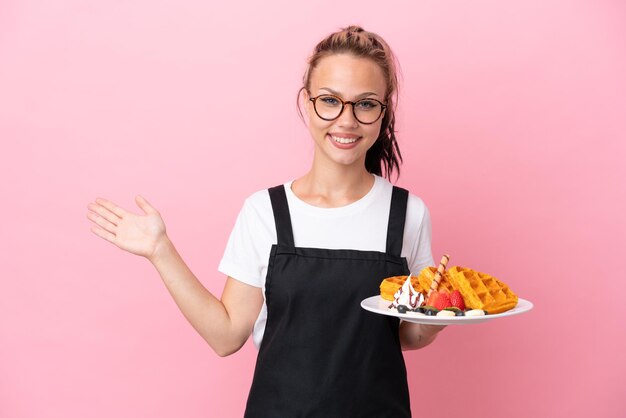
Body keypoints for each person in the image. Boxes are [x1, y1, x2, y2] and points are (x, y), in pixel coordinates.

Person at [87, 25, 444, 417]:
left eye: (365, 104)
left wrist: (448, 313)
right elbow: (226, 336)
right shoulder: (265, 213)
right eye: (330, 100)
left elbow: (407, 333)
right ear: (306, 104)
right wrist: (161, 251)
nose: (346, 120)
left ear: (382, 111)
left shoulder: (408, 213)